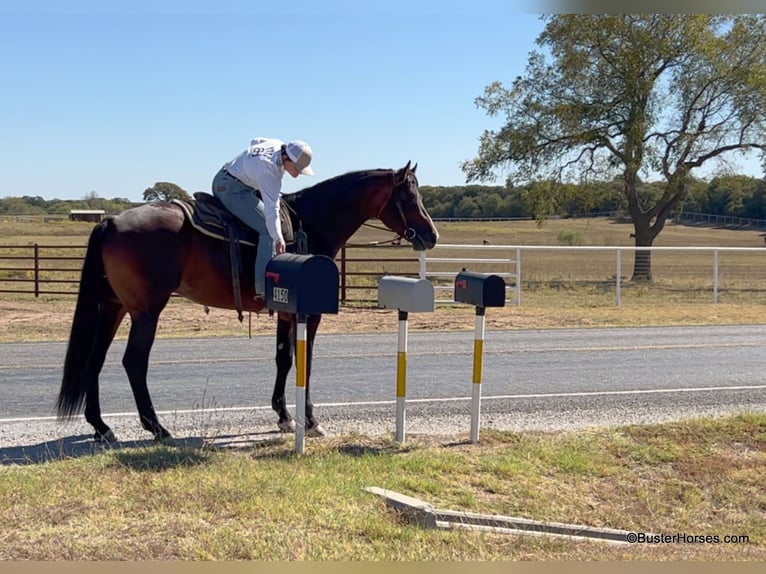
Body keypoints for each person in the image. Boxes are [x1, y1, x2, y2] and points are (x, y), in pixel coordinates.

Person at [212, 137, 314, 299]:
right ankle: (263, 289)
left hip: (227, 178)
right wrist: (278, 238)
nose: (297, 174)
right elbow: (271, 209)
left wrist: (248, 166)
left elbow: (255, 141)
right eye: (296, 168)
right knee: (267, 230)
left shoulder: (275, 144)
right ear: (286, 158)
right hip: (232, 190)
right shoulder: (269, 173)